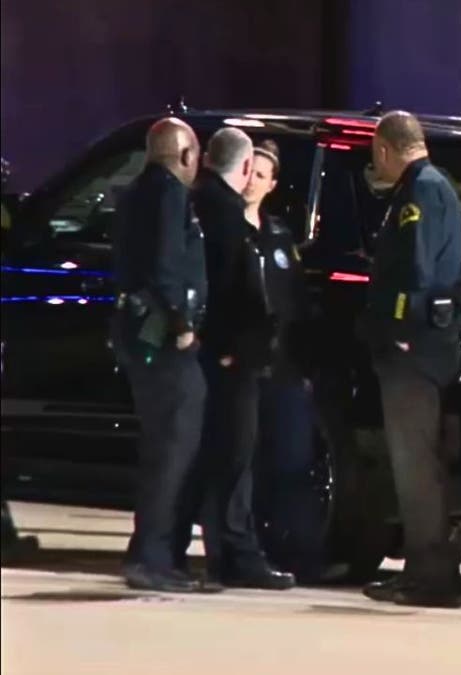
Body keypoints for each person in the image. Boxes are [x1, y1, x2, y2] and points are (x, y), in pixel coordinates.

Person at [359, 111, 461, 608]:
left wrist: (401, 331)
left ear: (385, 148)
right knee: (419, 461)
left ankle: (430, 574)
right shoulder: (435, 185)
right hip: (429, 347)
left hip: (415, 353)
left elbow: (416, 270)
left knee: (414, 464)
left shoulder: (420, 191)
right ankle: (429, 569)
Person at [185, 128, 295, 590]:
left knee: (235, 457)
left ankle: (231, 550)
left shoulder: (265, 230)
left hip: (245, 358)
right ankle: (233, 554)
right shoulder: (223, 216)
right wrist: (233, 348)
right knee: (229, 458)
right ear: (245, 169)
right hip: (230, 358)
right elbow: (233, 291)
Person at [110, 117, 211, 592]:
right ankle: (152, 557)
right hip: (162, 340)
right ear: (186, 156)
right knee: (173, 448)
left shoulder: (133, 194)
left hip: (135, 334)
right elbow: (167, 264)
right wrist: (183, 325)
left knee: (160, 447)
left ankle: (150, 552)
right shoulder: (170, 195)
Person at [239, 140, 323, 581]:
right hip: (245, 369)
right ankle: (248, 551)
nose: (252, 180)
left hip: (285, 370)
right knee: (247, 467)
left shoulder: (279, 236)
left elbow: (297, 306)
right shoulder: (224, 230)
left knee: (293, 464)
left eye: (262, 175)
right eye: (248, 170)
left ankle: (301, 556)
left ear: (272, 185)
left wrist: (303, 367)